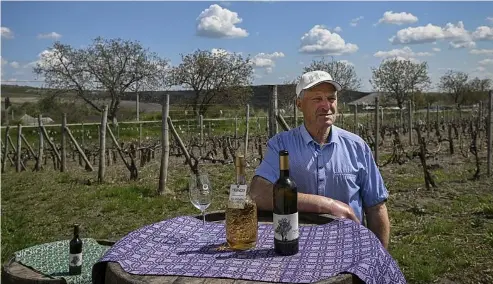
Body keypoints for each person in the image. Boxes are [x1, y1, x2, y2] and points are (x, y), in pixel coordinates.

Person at [250, 70, 390, 249]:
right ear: (299, 104)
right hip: (299, 247)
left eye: (331, 98)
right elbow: (258, 194)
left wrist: (380, 257)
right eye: (317, 99)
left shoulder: (357, 147)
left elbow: (376, 207)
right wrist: (328, 205)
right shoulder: (281, 145)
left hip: (349, 246)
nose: (326, 106)